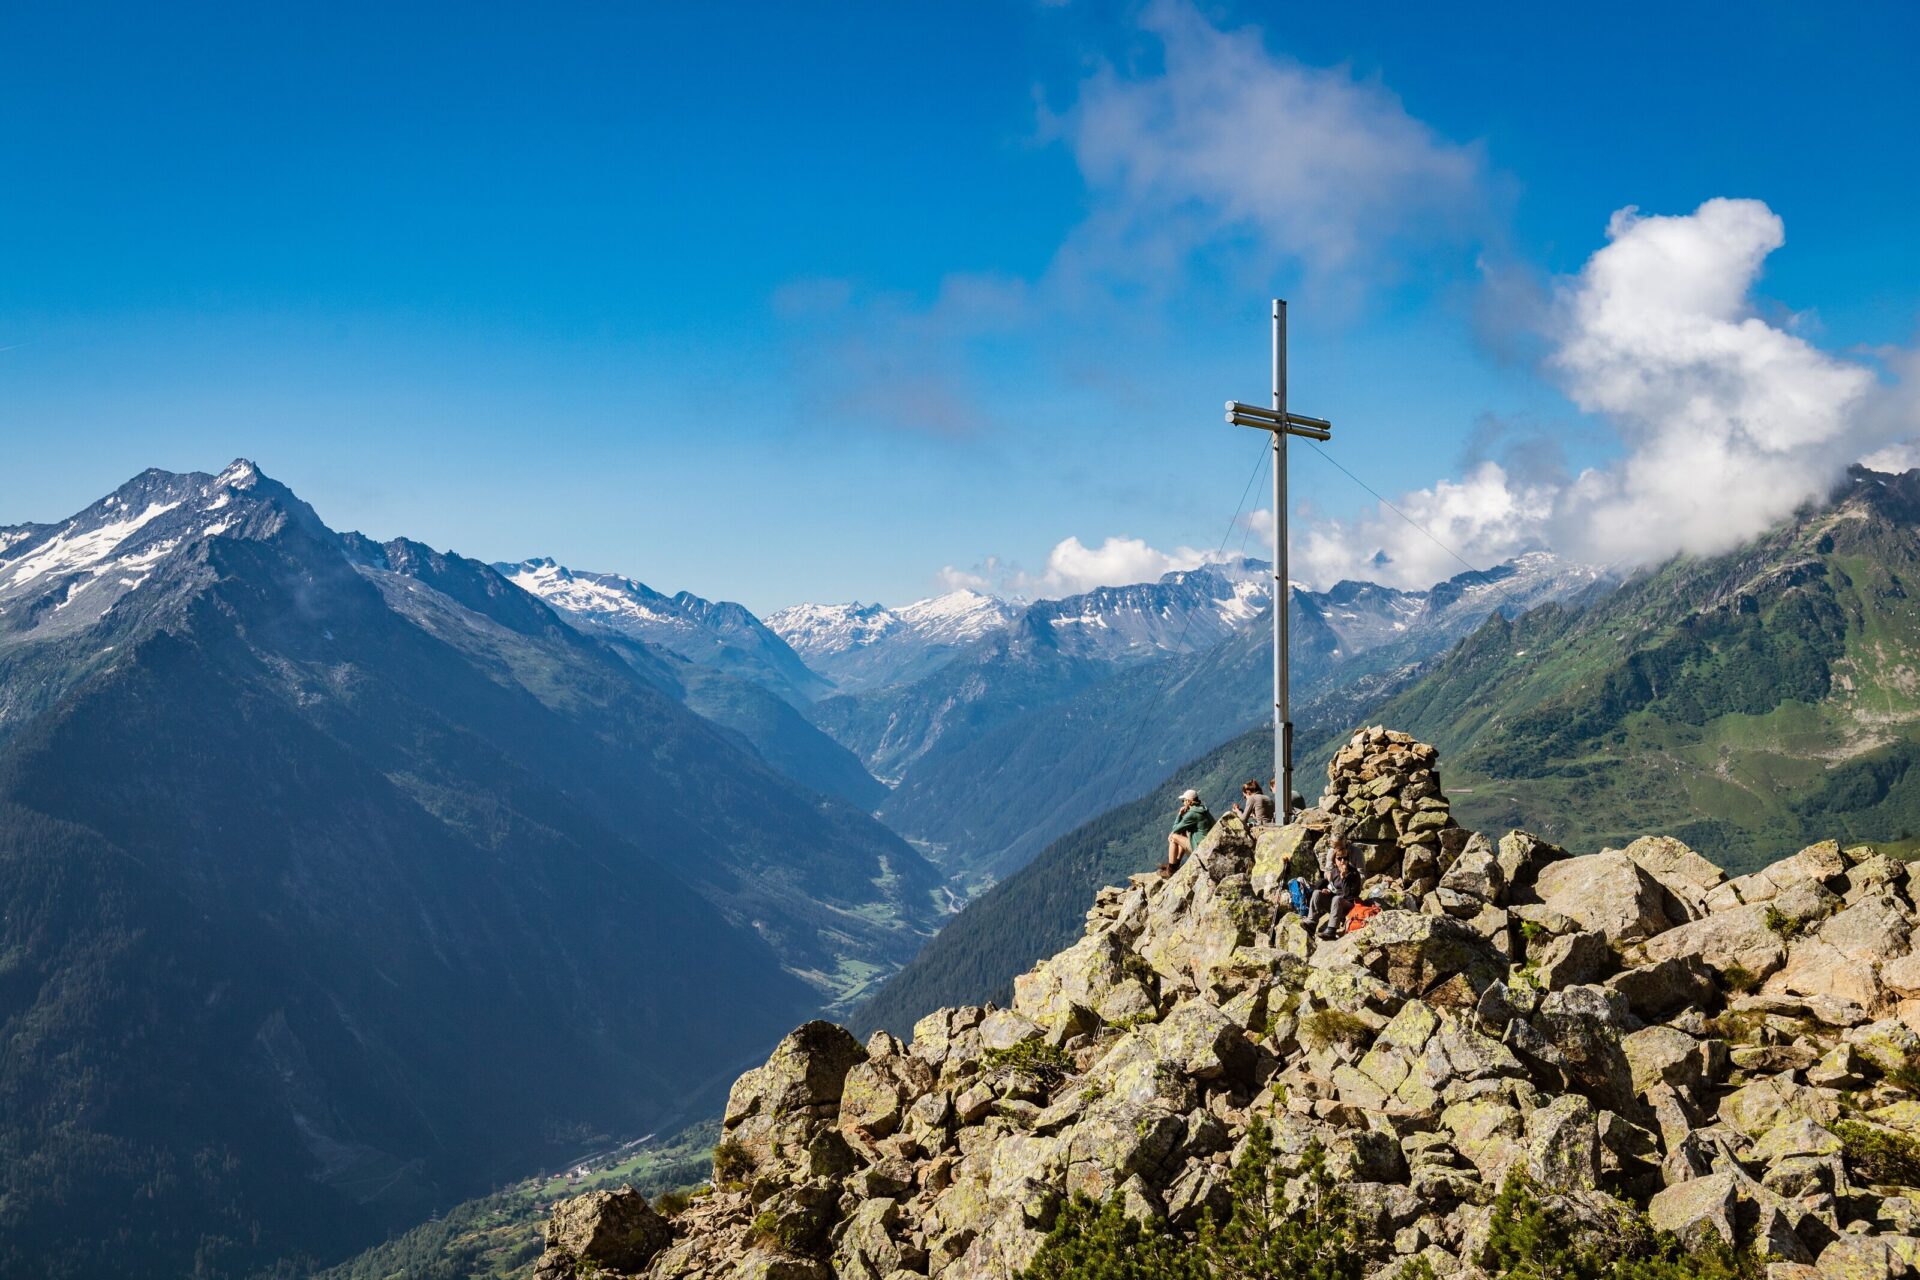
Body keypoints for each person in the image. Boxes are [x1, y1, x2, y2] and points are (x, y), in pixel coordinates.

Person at [1310, 831, 1362, 940]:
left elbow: (1349, 894)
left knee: (1337, 899)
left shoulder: (1354, 863)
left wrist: (1346, 877)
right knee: (1317, 891)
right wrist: (1329, 889)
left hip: (1347, 900)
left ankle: (1331, 930)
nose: (1343, 861)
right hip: (1336, 896)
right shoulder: (1334, 868)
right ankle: (1311, 922)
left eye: (1345, 858)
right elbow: (1328, 873)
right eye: (1339, 858)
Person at [1159, 788, 1215, 876]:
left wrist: (1180, 815)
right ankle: (1176, 863)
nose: (1183, 803)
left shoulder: (1192, 814)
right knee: (1183, 833)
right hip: (1209, 845)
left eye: (1184, 801)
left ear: (1189, 801)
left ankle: (1171, 870)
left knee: (1173, 837)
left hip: (1200, 848)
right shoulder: (1203, 809)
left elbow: (1175, 829)